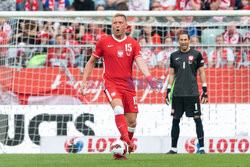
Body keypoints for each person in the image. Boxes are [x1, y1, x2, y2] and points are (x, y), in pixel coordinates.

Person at [80, 13, 160, 160]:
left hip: (128, 84)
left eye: (119, 23)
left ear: (125, 26)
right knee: (118, 108)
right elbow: (91, 62)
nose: (117, 25)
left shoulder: (133, 43)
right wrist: (84, 81)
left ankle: (120, 152)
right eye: (114, 23)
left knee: (132, 122)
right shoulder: (103, 42)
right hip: (111, 83)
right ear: (112, 25)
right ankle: (128, 142)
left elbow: (140, 61)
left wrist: (148, 77)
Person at [166, 31, 207, 154]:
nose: (183, 42)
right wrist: (168, 91)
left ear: (189, 40)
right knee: (175, 119)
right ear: (178, 41)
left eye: (185, 39)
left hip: (192, 93)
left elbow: (202, 72)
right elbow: (171, 74)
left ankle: (203, 148)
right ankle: (173, 148)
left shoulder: (197, 54)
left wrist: (205, 90)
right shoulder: (173, 55)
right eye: (181, 40)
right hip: (178, 94)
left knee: (197, 119)